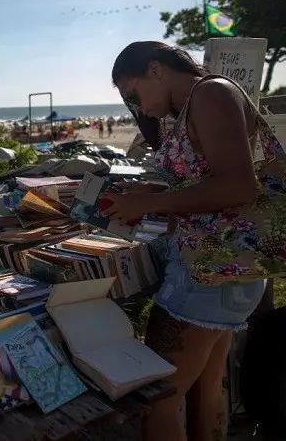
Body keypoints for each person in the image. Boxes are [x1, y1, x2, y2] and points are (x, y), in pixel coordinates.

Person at [101, 41, 270, 441]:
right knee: (204, 390)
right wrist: (156, 187)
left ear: (155, 70)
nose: (137, 108)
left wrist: (151, 202)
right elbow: (210, 179)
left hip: (208, 273)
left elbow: (238, 186)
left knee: (156, 399)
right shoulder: (205, 97)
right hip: (227, 268)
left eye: (133, 94)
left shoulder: (211, 93)